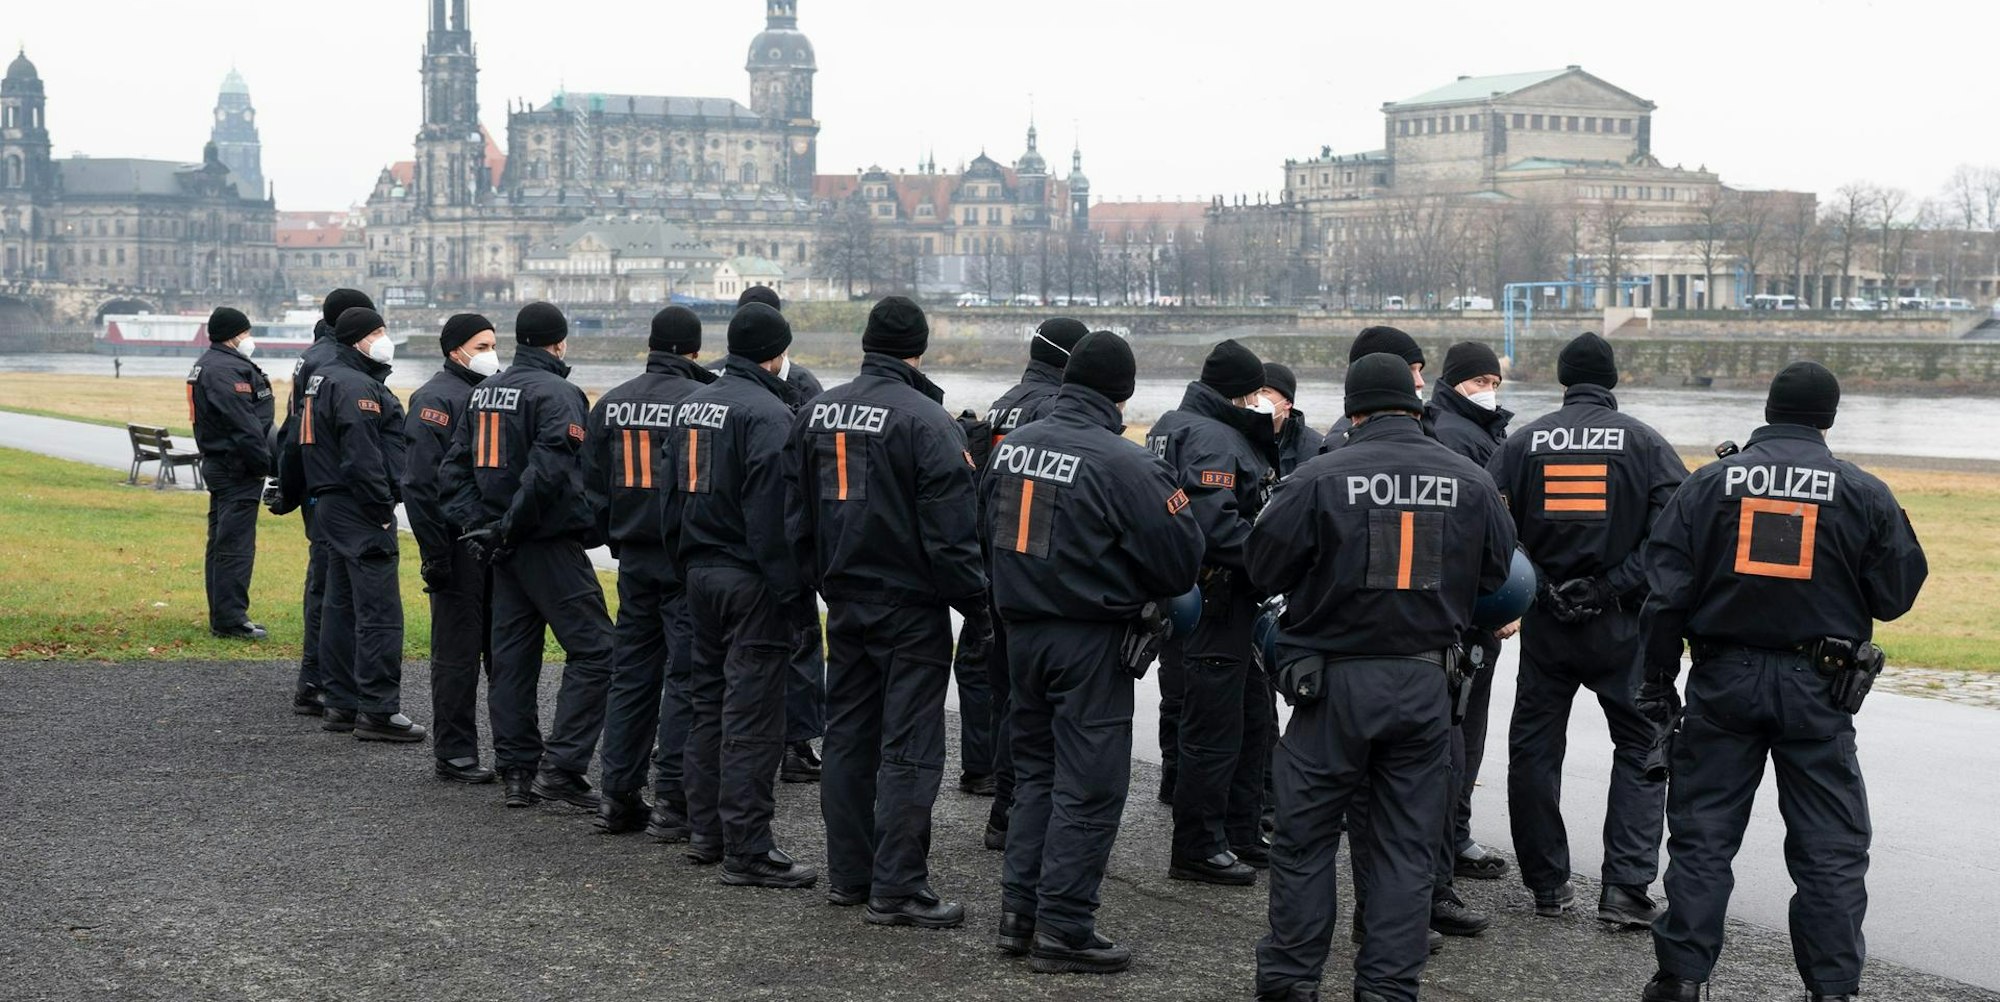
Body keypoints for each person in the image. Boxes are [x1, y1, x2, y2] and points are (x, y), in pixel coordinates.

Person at [1636, 362, 1927, 1002]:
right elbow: (1896, 594)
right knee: (1830, 845)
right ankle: (1832, 989)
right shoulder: (1862, 491)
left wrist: (1657, 684)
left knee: (1703, 835)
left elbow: (1664, 598)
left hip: (1724, 680)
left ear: (1768, 410)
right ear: (1829, 418)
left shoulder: (1709, 483)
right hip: (1819, 686)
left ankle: (1681, 978)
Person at [1249, 353, 1514, 1002]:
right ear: (1415, 406)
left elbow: (1263, 568)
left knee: (1305, 843)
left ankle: (1290, 985)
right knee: (1406, 850)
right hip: (1425, 686)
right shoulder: (1471, 480)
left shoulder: (1316, 477)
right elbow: (1496, 576)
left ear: (1354, 410)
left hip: (1330, 686)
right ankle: (1389, 990)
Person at [987, 331, 1203, 973]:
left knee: (1035, 776)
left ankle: (1019, 914)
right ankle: (1064, 927)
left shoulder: (1012, 446)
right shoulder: (1126, 464)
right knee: (1089, 787)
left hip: (1021, 633)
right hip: (1089, 642)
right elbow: (1180, 563)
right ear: (1123, 393)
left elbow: (981, 530)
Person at [790, 296, 986, 925]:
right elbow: (952, 536)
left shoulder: (815, 412)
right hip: (910, 606)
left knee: (848, 737)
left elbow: (796, 516)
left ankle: (850, 875)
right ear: (918, 349)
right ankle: (897, 886)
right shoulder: (928, 421)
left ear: (866, 343)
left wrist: (821, 580)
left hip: (845, 599)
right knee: (910, 746)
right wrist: (978, 606)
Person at [1485, 332, 1688, 927]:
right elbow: (1674, 535)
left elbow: (1491, 525)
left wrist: (1543, 583)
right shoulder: (1645, 443)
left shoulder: (1523, 442)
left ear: (1563, 379)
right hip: (1623, 625)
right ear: (1612, 380)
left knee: (1534, 751)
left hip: (1546, 625)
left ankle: (1547, 884)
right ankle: (1625, 888)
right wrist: (1610, 586)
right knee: (1642, 746)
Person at [441, 302, 615, 809]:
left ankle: (517, 769)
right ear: (558, 343)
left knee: (513, 658)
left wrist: (483, 526)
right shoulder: (559, 393)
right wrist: (506, 527)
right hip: (544, 541)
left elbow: (453, 471)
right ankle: (563, 765)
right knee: (598, 650)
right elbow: (548, 474)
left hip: (502, 545)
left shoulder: (483, 392)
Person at [672, 302, 817, 889]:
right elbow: (773, 519)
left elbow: (672, 495)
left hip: (699, 571)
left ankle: (706, 831)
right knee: (754, 716)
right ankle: (749, 848)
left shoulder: (693, 403)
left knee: (707, 704)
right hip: (750, 579)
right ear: (777, 354)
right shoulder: (770, 415)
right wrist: (794, 595)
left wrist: (682, 559)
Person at [1146, 338, 1279, 886]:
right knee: (1213, 730)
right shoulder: (1213, 437)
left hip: (1202, 599)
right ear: (1239, 394)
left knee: (1250, 719)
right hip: (1219, 598)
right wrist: (1278, 559)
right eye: (1255, 393)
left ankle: (1240, 831)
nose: (1260, 403)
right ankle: (1198, 847)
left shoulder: (1172, 424)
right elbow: (1214, 525)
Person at [587, 306, 716, 836]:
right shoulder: (699, 402)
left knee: (632, 676)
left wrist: (614, 535)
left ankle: (616, 794)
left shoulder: (611, 403)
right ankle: (673, 798)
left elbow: (592, 488)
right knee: (686, 677)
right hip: (681, 557)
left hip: (633, 557)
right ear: (694, 351)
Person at [975, 316, 1090, 844]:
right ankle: (1015, 811)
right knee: (1033, 710)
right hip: (1038, 572)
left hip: (999, 569)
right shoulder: (1052, 410)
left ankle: (1004, 806)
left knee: (1007, 696)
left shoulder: (1005, 403)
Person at [1422, 342, 1516, 919]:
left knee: (1462, 728)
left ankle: (1452, 835)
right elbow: (1475, 534)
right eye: (1480, 380)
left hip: (1462, 606)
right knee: (1460, 727)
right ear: (1455, 382)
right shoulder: (1458, 438)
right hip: (1467, 610)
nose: (1490, 389)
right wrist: (1499, 598)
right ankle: (1450, 839)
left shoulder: (1479, 430)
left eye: (1495, 381)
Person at [300, 307, 425, 743]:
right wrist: (379, 505)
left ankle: (341, 701)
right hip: (358, 505)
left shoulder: (324, 378)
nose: (385, 338)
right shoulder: (356, 385)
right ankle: (377, 708)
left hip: (332, 503)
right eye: (378, 331)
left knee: (340, 605)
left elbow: (299, 439)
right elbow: (362, 453)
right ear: (358, 339)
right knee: (379, 610)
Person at [402, 313, 502, 783]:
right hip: (456, 541)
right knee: (457, 654)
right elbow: (421, 484)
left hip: (493, 542)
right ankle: (455, 752)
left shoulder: (493, 394)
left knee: (503, 650)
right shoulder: (435, 399)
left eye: (493, 345)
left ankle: (513, 749)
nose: (490, 354)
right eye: (481, 346)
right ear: (455, 350)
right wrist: (436, 553)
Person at [279, 288, 374, 715]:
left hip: (317, 483)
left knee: (327, 582)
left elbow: (292, 429)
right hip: (331, 485)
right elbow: (307, 430)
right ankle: (318, 679)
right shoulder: (332, 364)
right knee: (329, 585)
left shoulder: (312, 356)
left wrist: (289, 484)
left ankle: (325, 677)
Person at [187, 306, 274, 640]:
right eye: (245, 332)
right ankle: (231, 619)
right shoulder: (225, 370)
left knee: (221, 542)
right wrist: (263, 463)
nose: (249, 338)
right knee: (235, 545)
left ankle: (223, 614)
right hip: (236, 466)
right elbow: (244, 424)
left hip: (222, 462)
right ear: (233, 335)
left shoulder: (210, 364)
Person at [1320, 326, 1426, 452]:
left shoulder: (1428, 425)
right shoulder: (1340, 443)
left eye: (1419, 371)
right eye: (1409, 370)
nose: (1421, 382)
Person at [1262, 363, 1322, 477]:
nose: (1257, 399)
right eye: (1254, 392)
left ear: (1287, 403)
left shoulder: (1315, 446)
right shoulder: (1240, 439)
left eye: (1264, 391)